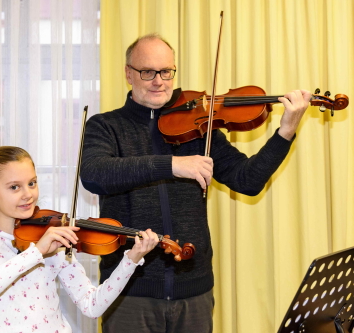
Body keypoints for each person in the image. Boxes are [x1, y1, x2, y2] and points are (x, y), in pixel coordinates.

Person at [79, 33, 312, 333]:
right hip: (128, 292)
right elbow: (95, 173)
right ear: (128, 73)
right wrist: (173, 165)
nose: (159, 81)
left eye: (166, 72)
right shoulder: (106, 126)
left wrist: (286, 132)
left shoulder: (199, 127)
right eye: (147, 72)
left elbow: (248, 180)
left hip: (194, 291)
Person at [0, 146, 159, 333]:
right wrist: (36, 252)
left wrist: (130, 261)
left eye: (32, 183)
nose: (28, 194)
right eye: (14, 187)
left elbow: (92, 306)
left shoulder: (53, 243)